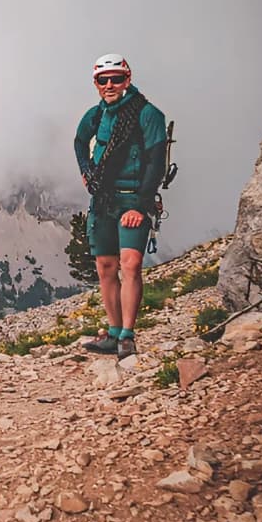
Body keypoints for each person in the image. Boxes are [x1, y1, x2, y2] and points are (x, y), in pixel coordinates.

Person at [73, 54, 167, 358]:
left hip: (134, 198)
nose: (110, 84)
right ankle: (112, 333)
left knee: (131, 264)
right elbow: (79, 141)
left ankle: (127, 334)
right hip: (103, 200)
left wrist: (140, 206)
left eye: (116, 78)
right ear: (96, 83)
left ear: (127, 79)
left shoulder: (148, 114)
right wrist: (86, 173)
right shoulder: (95, 115)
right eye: (104, 80)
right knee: (105, 267)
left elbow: (156, 162)